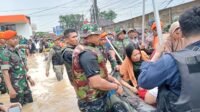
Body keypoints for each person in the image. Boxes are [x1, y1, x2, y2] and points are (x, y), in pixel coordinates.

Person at [138, 6, 200, 111]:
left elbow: (144, 80)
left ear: (182, 32)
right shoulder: (165, 41)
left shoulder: (172, 61)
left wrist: (157, 54)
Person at [72, 31, 123, 112]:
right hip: (93, 102)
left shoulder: (86, 48)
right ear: (89, 37)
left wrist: (112, 79)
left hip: (94, 98)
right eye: (97, 35)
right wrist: (116, 87)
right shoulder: (87, 54)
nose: (100, 37)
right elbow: (96, 83)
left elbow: (99, 73)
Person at [0, 30, 35, 105]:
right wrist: (10, 89)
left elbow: (21, 67)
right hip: (15, 87)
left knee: (29, 105)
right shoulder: (5, 53)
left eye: (16, 38)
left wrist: (29, 78)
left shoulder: (17, 51)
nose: (16, 40)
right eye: (13, 39)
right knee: (17, 108)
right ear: (7, 41)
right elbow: (5, 73)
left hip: (24, 84)